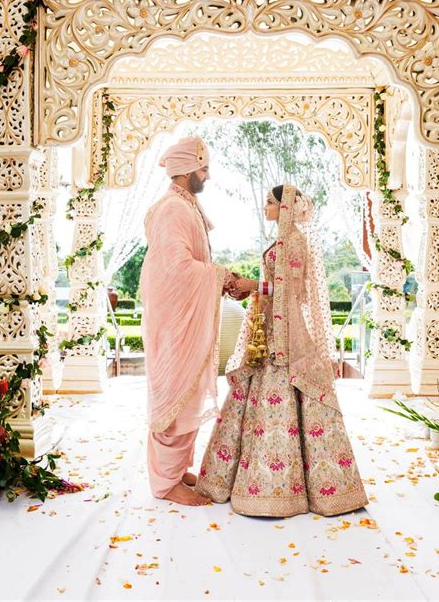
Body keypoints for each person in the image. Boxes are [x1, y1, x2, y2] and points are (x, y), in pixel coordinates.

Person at [196, 184, 368, 517]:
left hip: (287, 336)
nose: (265, 207)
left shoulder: (295, 243)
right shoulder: (282, 241)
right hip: (270, 329)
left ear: (285, 206)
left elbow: (291, 290)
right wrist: (249, 290)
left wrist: (252, 285)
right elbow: (276, 289)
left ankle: (304, 491)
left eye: (270, 203)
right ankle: (244, 482)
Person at [139, 136, 239, 506]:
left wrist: (221, 280)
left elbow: (189, 265)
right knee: (175, 392)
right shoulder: (173, 210)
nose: (207, 176)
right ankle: (165, 483)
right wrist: (223, 278)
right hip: (174, 321)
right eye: (204, 168)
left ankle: (177, 469)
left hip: (182, 318)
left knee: (189, 392)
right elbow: (176, 269)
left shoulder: (186, 206)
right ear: (186, 169)